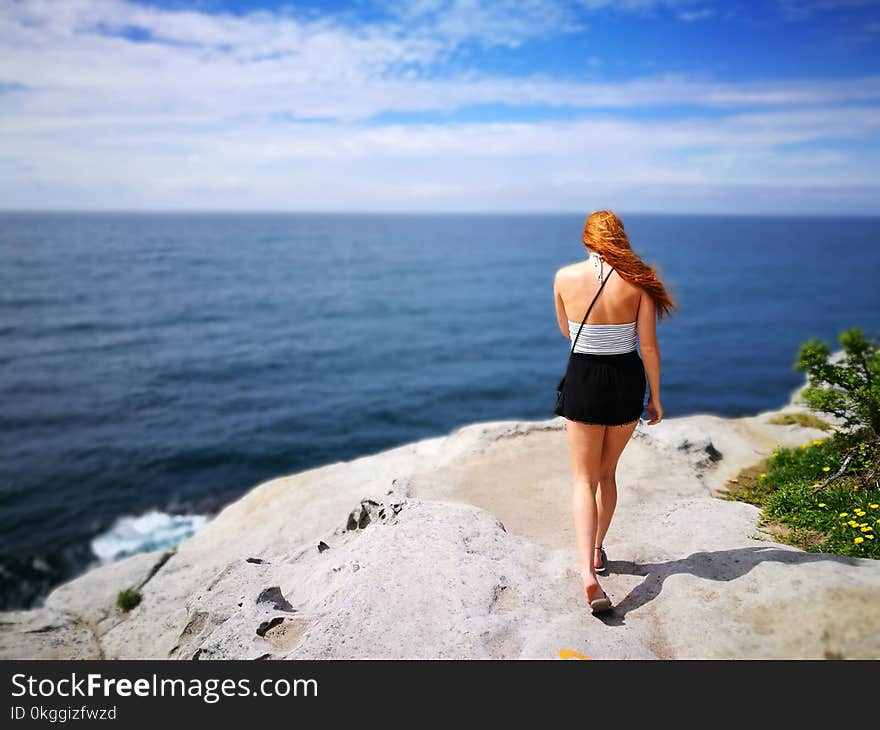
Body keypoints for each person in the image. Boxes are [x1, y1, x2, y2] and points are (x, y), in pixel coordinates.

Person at [552, 210, 676, 614]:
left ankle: (588, 574)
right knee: (607, 474)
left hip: (584, 378)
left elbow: (568, 332)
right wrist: (655, 398)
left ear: (587, 239)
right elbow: (649, 348)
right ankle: (600, 548)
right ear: (619, 238)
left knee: (583, 480)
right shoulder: (638, 281)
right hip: (625, 381)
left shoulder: (564, 278)